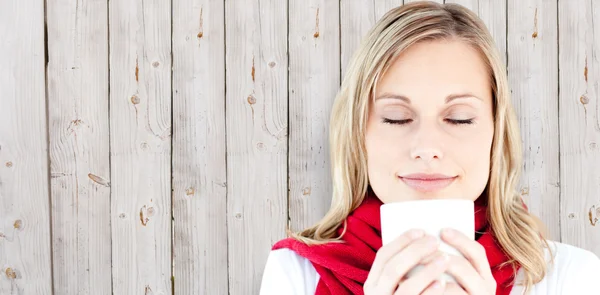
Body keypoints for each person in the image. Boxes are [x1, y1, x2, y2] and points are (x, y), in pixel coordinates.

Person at [260, 1, 600, 294]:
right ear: (358, 135)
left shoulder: (568, 277)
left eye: (459, 119)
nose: (427, 148)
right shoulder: (295, 274)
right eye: (395, 118)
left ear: (496, 134)